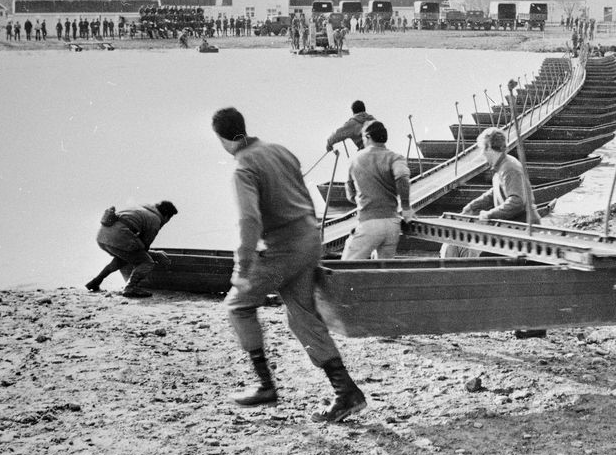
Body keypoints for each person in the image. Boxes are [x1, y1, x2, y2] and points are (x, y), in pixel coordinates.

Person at [212, 106, 366, 423]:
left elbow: (249, 220)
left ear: (223, 139)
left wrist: (242, 268)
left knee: (239, 306)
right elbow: (305, 197)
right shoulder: (280, 150)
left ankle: (266, 386)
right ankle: (347, 392)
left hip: (283, 248)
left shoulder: (243, 167)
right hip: (309, 240)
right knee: (302, 317)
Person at [455, 127, 545, 339]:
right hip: (514, 230)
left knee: (507, 271)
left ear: (489, 147)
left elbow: (517, 201)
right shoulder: (502, 167)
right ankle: (528, 323)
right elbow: (494, 192)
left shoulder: (509, 168)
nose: (481, 154)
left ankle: (529, 324)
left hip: (523, 230)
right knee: (520, 277)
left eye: (482, 149)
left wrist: (489, 214)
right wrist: (474, 205)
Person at [342, 120, 415, 260]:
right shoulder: (395, 157)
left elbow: (350, 194)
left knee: (345, 267)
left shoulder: (355, 159)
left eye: (363, 138)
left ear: (368, 137)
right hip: (392, 224)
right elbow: (402, 177)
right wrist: (406, 208)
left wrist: (365, 198)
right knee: (383, 269)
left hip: (368, 223)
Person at [86, 201, 178, 297]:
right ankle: (130, 288)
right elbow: (144, 248)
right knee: (147, 262)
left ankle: (95, 281)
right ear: (166, 216)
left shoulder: (141, 209)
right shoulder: (155, 219)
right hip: (118, 238)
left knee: (124, 258)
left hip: (102, 237)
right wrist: (156, 254)